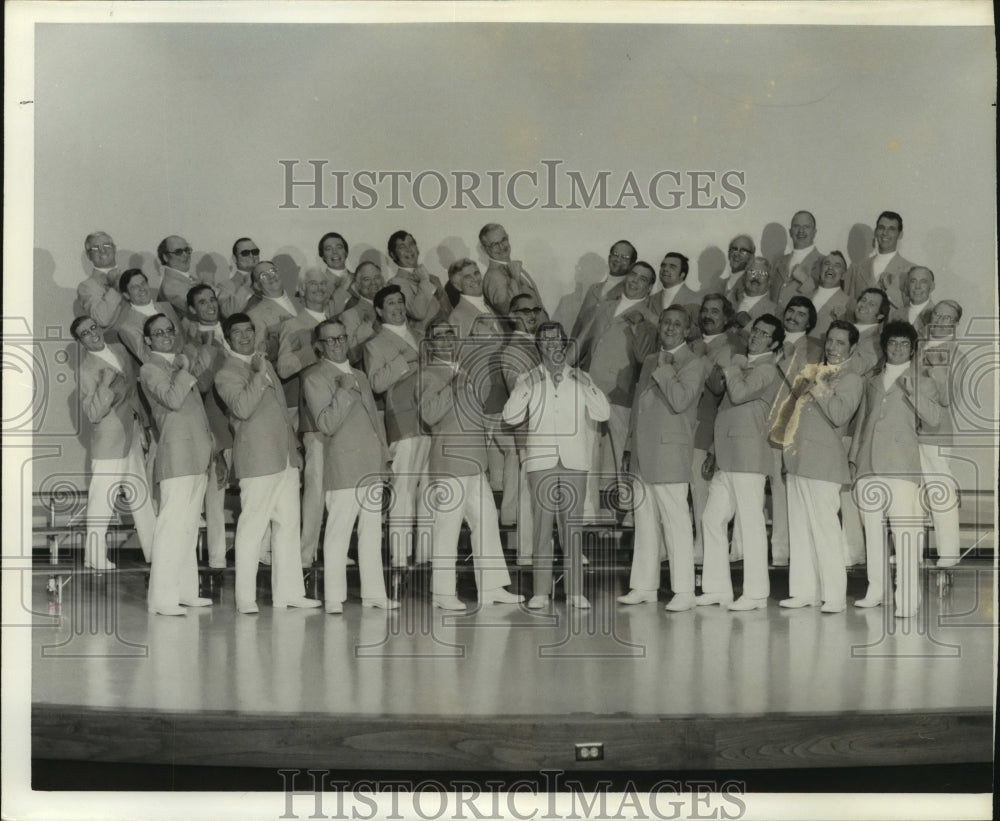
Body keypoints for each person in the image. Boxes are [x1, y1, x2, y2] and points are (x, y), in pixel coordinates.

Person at [214, 313, 320, 614]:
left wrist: (294, 449)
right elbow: (243, 409)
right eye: (238, 332)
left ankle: (289, 593)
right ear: (227, 338)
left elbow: (280, 413)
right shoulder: (227, 372)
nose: (246, 336)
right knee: (252, 528)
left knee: (288, 526)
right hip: (257, 460)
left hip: (284, 457)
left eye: (250, 330)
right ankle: (245, 597)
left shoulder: (263, 363)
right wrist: (259, 374)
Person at [503, 322, 611, 610]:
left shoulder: (581, 378)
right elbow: (511, 417)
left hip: (574, 461)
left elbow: (602, 412)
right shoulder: (527, 379)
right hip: (541, 463)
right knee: (541, 528)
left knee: (571, 529)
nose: (552, 344)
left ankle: (575, 592)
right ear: (539, 345)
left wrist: (585, 383)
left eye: (557, 339)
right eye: (546, 340)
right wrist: (527, 388)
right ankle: (540, 592)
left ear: (564, 343)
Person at [419, 320, 523, 610]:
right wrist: (454, 387)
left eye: (449, 335)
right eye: (438, 336)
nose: (445, 340)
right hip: (450, 463)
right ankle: (442, 593)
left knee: (486, 522)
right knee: (447, 527)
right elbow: (429, 415)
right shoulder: (427, 375)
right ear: (430, 344)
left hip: (474, 463)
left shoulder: (464, 371)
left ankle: (491, 587)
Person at [302, 319, 396, 614]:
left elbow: (373, 421)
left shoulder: (360, 375)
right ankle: (333, 597)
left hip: (370, 462)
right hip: (342, 462)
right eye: (330, 340)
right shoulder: (315, 378)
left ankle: (374, 594)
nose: (338, 344)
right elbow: (326, 424)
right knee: (339, 531)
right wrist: (342, 391)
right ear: (320, 346)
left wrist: (385, 459)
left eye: (342, 337)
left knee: (371, 532)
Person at [849, 320, 942, 618]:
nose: (898, 348)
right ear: (884, 345)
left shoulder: (922, 379)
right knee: (872, 533)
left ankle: (908, 597)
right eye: (893, 343)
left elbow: (934, 419)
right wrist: (854, 459)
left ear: (913, 349)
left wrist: (914, 393)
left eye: (904, 344)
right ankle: (877, 590)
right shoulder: (872, 380)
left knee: (905, 533)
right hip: (868, 465)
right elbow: (862, 422)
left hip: (901, 466)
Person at [619, 306, 706, 611]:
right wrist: (630, 447)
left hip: (670, 451)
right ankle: (644, 586)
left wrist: (667, 367)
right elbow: (638, 406)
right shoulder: (651, 361)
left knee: (677, 523)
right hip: (644, 451)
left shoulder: (695, 363)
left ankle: (684, 591)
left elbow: (681, 400)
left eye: (677, 324)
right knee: (644, 522)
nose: (669, 328)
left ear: (687, 330)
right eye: (666, 322)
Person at [696, 314, 784, 610]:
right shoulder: (743, 364)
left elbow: (738, 392)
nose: (757, 336)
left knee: (750, 524)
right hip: (726, 454)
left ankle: (757, 593)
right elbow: (725, 408)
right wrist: (712, 450)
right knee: (711, 519)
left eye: (764, 334)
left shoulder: (768, 369)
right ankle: (717, 588)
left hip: (749, 456)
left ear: (774, 343)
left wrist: (731, 367)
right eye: (755, 331)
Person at [778, 320, 864, 613]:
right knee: (799, 529)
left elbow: (840, 414)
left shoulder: (852, 379)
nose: (832, 347)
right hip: (799, 459)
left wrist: (818, 386)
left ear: (852, 347)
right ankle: (805, 592)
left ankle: (835, 596)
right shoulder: (814, 371)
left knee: (825, 531)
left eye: (840, 342)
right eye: (830, 341)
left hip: (825, 464)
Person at [139, 313, 213, 615]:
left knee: (188, 526)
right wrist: (183, 370)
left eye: (170, 330)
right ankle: (162, 599)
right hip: (176, 455)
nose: (166, 335)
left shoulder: (179, 364)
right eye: (158, 333)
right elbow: (171, 399)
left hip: (197, 454)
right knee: (171, 527)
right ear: (147, 340)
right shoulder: (150, 368)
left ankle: (185, 591)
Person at [71, 315, 156, 570]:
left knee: (141, 496)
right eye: (85, 333)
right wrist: (105, 385)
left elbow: (134, 394)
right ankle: (95, 557)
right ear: (80, 341)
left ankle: (155, 553)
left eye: (94, 327)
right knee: (102, 500)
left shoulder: (120, 350)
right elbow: (94, 413)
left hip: (133, 434)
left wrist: (146, 425)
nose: (93, 333)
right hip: (108, 443)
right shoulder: (85, 370)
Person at [576, 261, 658, 514]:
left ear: (650, 286)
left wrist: (643, 319)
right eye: (633, 274)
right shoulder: (605, 306)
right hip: (591, 389)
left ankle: (627, 508)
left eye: (642, 279)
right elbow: (581, 341)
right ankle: (589, 509)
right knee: (588, 449)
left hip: (622, 393)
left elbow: (648, 358)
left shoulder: (650, 316)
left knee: (621, 450)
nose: (634, 280)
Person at [364, 284, 428, 567]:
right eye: (390, 302)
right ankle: (400, 559)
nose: (397, 306)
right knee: (402, 490)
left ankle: (426, 557)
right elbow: (376, 382)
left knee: (429, 490)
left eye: (400, 301)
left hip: (431, 419)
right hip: (403, 421)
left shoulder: (422, 336)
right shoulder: (374, 344)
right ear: (379, 310)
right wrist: (404, 361)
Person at [765, 296, 824, 566]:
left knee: (782, 489)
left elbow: (803, 388)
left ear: (809, 322)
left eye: (801, 314)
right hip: (758, 425)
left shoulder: (812, 348)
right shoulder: (769, 339)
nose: (793, 316)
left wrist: (783, 361)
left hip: (788, 427)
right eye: (790, 310)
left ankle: (783, 552)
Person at [182, 284, 233, 572]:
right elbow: (199, 388)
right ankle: (217, 559)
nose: (210, 305)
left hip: (242, 420)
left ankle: (264, 552)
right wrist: (211, 351)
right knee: (216, 494)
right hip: (215, 423)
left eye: (212, 299)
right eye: (202, 302)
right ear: (192, 309)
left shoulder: (236, 332)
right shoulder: (191, 344)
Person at [689, 294, 741, 561]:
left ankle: (706, 551)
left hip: (706, 430)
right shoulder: (691, 344)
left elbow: (720, 386)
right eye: (705, 310)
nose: (708, 315)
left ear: (726, 318)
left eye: (716, 311)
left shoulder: (730, 347)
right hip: (682, 429)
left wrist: (701, 358)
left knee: (703, 494)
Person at [917, 300, 965, 568]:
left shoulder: (957, 354)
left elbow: (947, 398)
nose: (940, 320)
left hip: (935, 433)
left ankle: (948, 553)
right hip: (909, 432)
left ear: (954, 324)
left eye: (947, 318)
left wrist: (935, 369)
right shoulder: (918, 345)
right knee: (913, 492)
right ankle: (911, 550)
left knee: (940, 489)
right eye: (937, 314)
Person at [500, 293, 546, 564]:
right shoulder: (514, 349)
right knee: (529, 498)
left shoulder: (535, 344)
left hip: (543, 432)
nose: (531, 315)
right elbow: (519, 398)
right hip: (530, 432)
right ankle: (527, 555)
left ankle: (534, 552)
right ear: (512, 316)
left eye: (535, 310)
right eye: (524, 310)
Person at [843, 211, 913, 308]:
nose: (885, 233)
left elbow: (910, 309)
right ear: (876, 232)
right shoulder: (858, 267)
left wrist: (889, 289)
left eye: (891, 229)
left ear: (900, 234)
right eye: (881, 228)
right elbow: (849, 305)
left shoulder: (910, 269)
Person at [571, 240, 637, 339]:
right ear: (609, 257)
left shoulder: (629, 293)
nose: (618, 259)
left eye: (624, 257)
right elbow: (579, 324)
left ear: (632, 264)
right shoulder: (594, 288)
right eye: (615, 254)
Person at [387, 230, 450, 332]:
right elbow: (418, 312)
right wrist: (424, 280)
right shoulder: (394, 283)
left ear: (417, 249)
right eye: (402, 247)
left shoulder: (434, 279)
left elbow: (448, 311)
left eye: (411, 244)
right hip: (426, 341)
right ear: (393, 255)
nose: (408, 250)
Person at [115, 269, 182, 363]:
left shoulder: (167, 306)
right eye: (134, 287)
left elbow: (181, 337)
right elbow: (147, 359)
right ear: (126, 295)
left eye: (143, 283)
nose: (142, 288)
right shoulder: (126, 328)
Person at [480, 223, 544, 318]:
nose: (501, 247)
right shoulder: (494, 276)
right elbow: (509, 313)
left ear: (508, 237)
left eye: (503, 240)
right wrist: (515, 279)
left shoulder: (511, 267)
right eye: (495, 244)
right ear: (485, 249)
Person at [771, 211, 822, 306]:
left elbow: (823, 300)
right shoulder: (778, 261)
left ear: (815, 232)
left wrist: (806, 281)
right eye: (796, 226)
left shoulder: (823, 262)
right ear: (790, 232)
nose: (801, 231)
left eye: (806, 227)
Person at [340, 261, 385, 365]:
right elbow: (352, 356)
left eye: (377, 277)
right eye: (367, 279)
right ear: (358, 285)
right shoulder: (348, 315)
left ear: (382, 281)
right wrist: (368, 324)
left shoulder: (392, 306)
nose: (373, 283)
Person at [77, 231, 124, 328]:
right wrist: (115, 288)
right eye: (95, 248)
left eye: (106, 246)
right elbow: (102, 320)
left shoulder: (132, 273)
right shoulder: (86, 287)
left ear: (114, 249)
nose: (102, 251)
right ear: (88, 255)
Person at [156, 235, 206, 319]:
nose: (185, 255)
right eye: (178, 252)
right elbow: (205, 312)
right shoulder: (171, 286)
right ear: (165, 257)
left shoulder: (189, 278)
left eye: (187, 250)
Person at [648, 251, 701, 328]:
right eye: (663, 265)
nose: (665, 269)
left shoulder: (696, 299)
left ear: (682, 274)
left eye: (672, 267)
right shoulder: (651, 300)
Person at [806, 252, 853, 340]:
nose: (830, 267)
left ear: (843, 275)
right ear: (820, 271)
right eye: (827, 263)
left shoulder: (848, 303)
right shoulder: (806, 295)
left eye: (837, 265)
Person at [730, 257, 778, 341]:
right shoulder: (731, 300)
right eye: (752, 272)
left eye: (763, 273)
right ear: (744, 277)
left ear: (769, 281)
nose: (756, 277)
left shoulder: (775, 310)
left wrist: (748, 324)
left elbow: (769, 342)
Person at [215, 237, 260, 317]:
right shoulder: (225, 285)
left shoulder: (268, 279)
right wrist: (247, 285)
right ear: (234, 259)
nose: (251, 256)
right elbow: (229, 313)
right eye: (245, 253)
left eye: (255, 252)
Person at [315, 231, 355, 316]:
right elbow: (325, 315)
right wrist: (342, 289)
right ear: (323, 256)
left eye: (339, 247)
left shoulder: (359, 278)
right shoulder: (316, 284)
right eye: (328, 249)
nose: (335, 252)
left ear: (346, 252)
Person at [892, 266, 936, 334]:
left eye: (923, 282)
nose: (917, 286)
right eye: (913, 281)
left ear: (932, 286)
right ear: (907, 285)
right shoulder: (895, 315)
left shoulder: (938, 316)